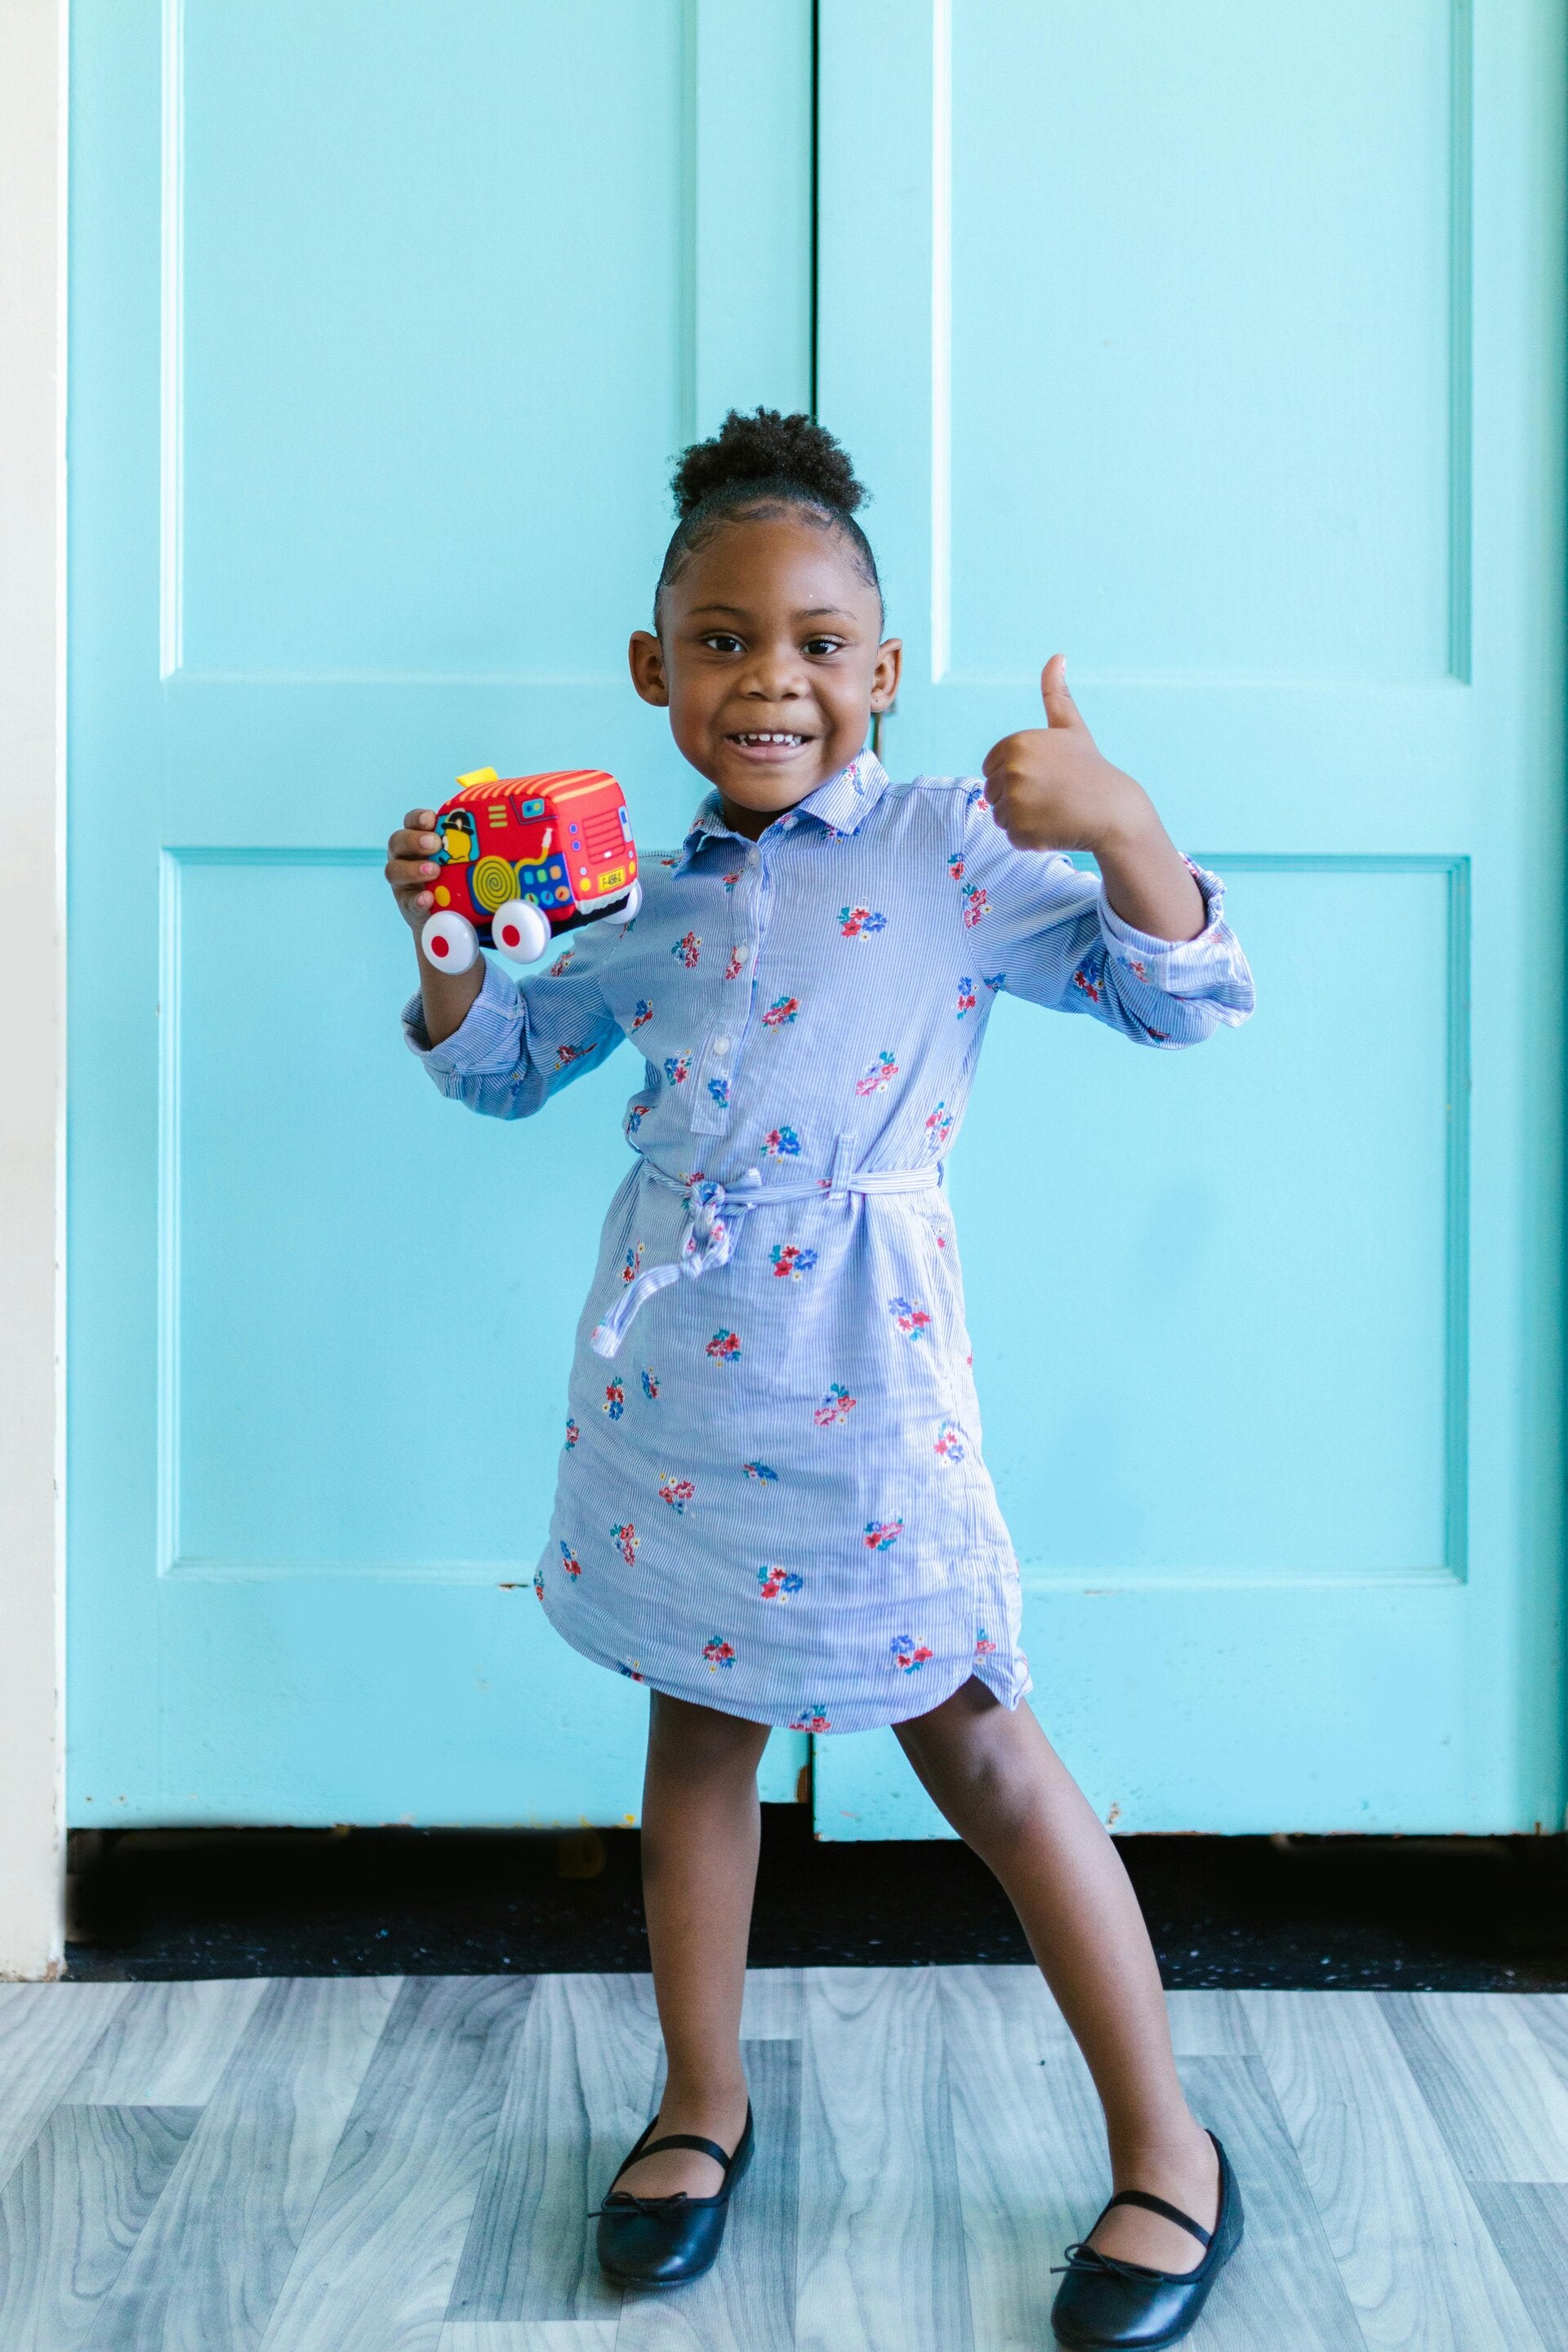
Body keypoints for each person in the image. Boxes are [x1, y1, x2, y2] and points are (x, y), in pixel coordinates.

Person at [386, 410, 1254, 2348]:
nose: (767, 678)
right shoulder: (633, 892)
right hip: (681, 1387)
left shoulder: (956, 845)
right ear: (655, 668)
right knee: (698, 1733)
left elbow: (1181, 993)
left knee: (980, 1743)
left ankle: (1170, 2148)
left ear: (882, 668)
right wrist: (448, 953)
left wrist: (1120, 819)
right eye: (721, 640)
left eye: (814, 643)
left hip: (868, 1369)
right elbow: (508, 1070)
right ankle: (702, 2103)